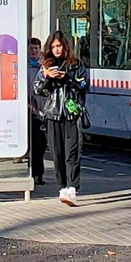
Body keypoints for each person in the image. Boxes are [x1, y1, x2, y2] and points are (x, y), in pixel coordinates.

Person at [37, 30, 88, 206]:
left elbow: (84, 85)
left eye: (59, 46)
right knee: (57, 153)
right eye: (53, 47)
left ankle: (72, 189)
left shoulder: (76, 65)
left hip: (71, 114)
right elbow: (38, 90)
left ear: (65, 46)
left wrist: (67, 77)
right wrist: (48, 79)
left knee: (72, 151)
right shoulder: (45, 66)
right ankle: (62, 188)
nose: (57, 49)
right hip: (53, 114)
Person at [26, 36, 45, 185]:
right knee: (34, 144)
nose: (33, 51)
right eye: (31, 48)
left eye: (36, 49)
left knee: (42, 144)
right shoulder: (24, 67)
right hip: (30, 110)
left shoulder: (45, 66)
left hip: (45, 109)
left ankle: (38, 172)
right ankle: (34, 173)